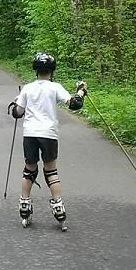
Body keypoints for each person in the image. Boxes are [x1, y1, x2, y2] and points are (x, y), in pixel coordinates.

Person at [8, 52, 87, 228]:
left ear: (35, 70)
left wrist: (16, 102)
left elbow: (17, 113)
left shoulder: (28, 88)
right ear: (52, 71)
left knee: (29, 170)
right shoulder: (55, 87)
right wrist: (81, 92)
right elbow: (75, 104)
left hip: (30, 134)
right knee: (51, 171)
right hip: (48, 134)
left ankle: (24, 205)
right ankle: (58, 207)